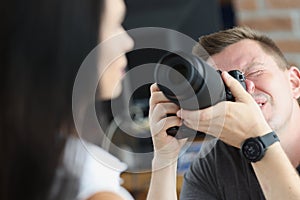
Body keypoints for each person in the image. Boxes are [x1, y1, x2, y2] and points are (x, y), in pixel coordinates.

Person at [1, 0, 137, 199]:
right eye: (115, 24)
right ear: (72, 40)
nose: (128, 42)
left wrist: (163, 159)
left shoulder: (25, 156)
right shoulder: (94, 188)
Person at [148, 26, 300, 200]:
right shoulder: (215, 162)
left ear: (294, 83)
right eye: (223, 85)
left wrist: (257, 140)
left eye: (255, 72)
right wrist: (165, 159)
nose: (245, 89)